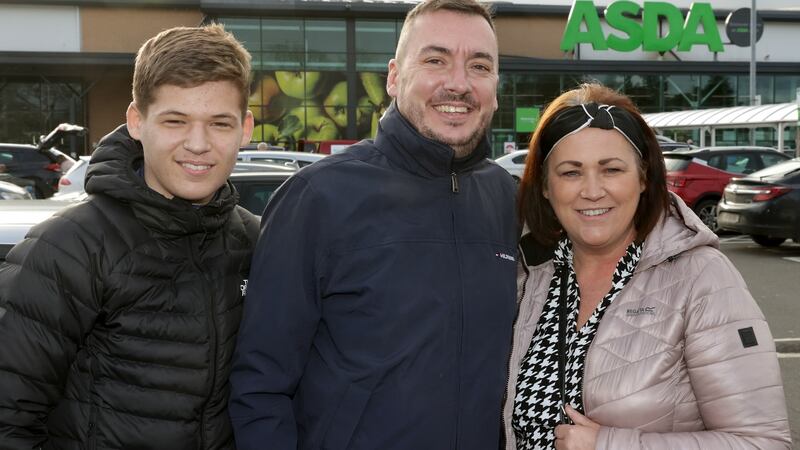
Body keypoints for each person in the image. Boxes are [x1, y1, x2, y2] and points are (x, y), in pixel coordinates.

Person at [228, 0, 518, 448]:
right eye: (435, 60)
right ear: (394, 77)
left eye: (479, 65)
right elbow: (260, 385)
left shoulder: (505, 198)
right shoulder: (318, 198)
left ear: (496, 85)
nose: (458, 83)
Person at [0, 24, 258, 449]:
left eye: (219, 123)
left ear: (245, 128)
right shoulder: (68, 249)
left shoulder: (254, 241)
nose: (199, 143)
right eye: (175, 121)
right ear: (137, 121)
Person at [503, 83, 791, 450]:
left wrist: (608, 445)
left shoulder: (701, 278)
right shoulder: (527, 275)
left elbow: (763, 442)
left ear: (643, 178)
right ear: (545, 186)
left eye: (611, 169)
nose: (592, 190)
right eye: (571, 173)